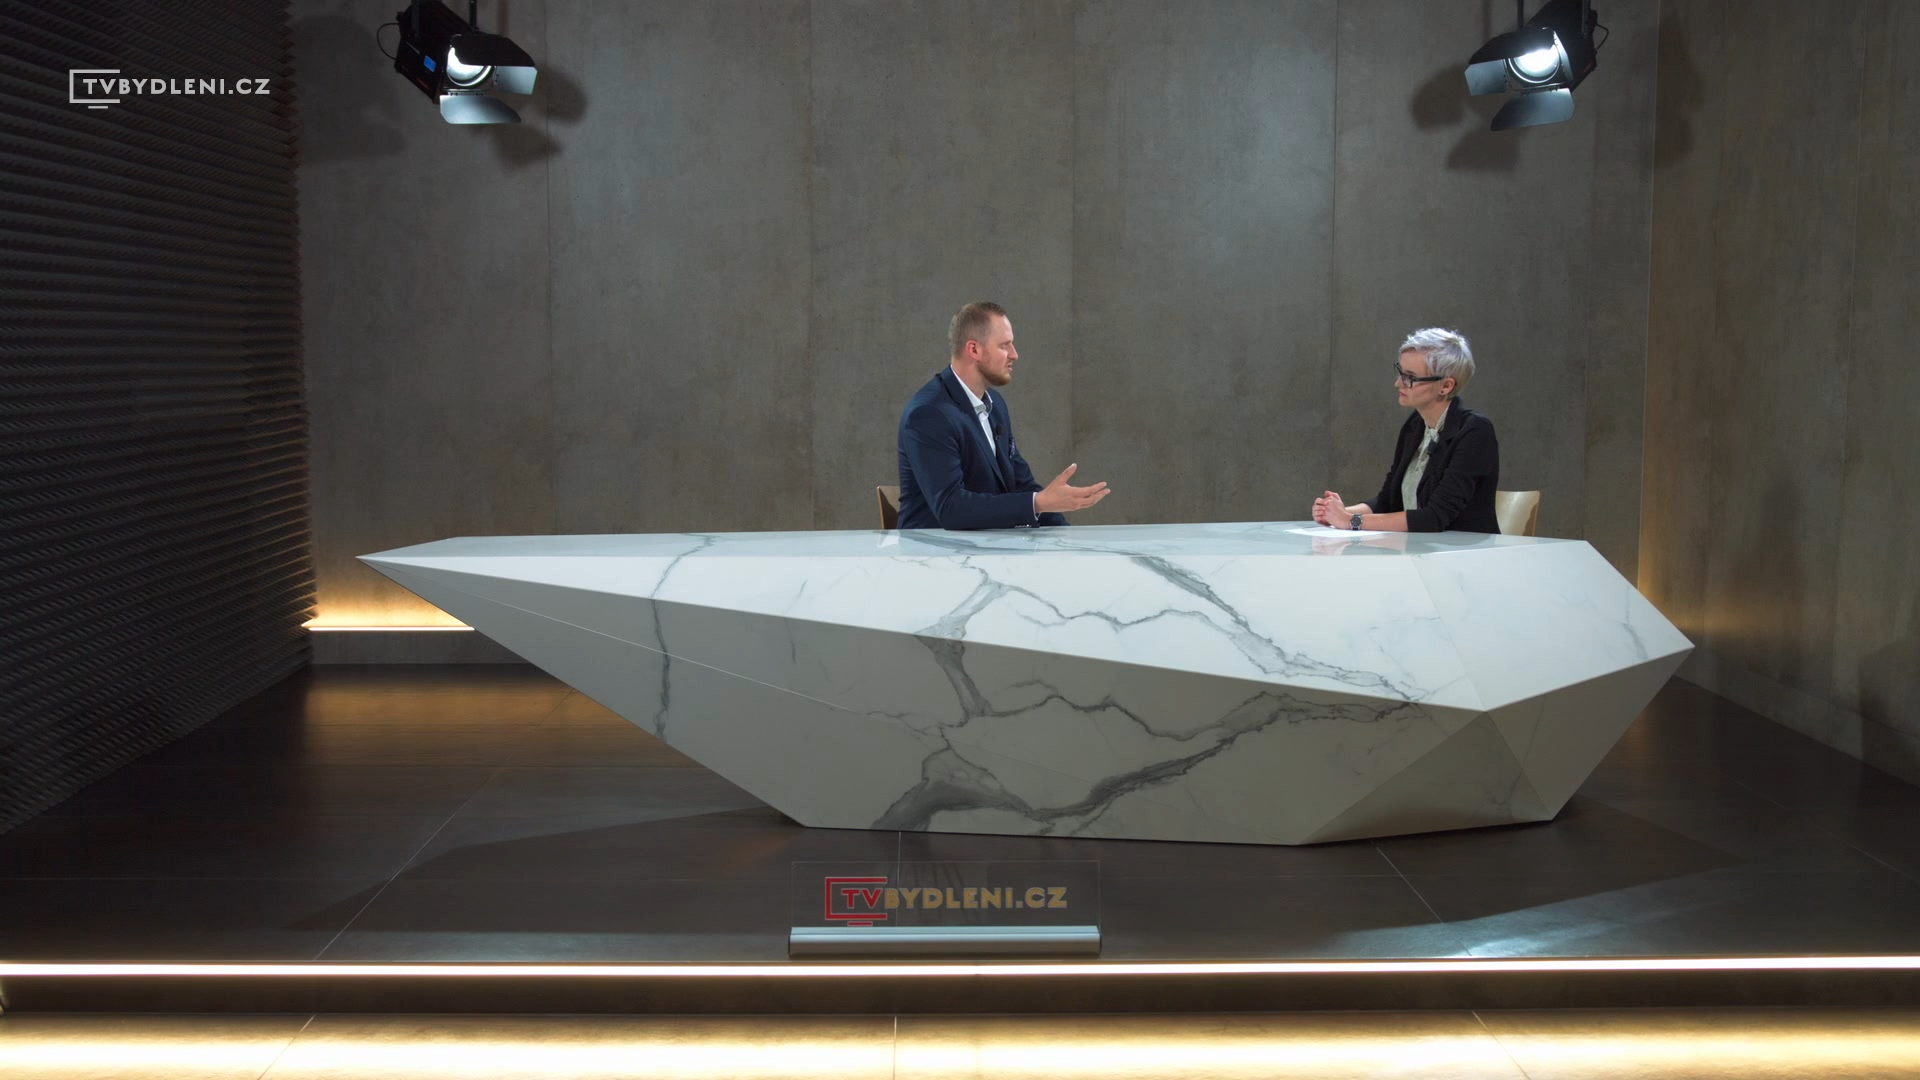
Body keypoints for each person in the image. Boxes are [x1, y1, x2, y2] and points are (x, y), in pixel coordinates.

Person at [897, 302, 1109, 529]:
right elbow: (951, 508)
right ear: (974, 350)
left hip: (985, 545)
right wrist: (1038, 503)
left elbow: (1021, 484)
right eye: (1004, 346)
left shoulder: (995, 405)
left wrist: (1070, 537)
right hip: (932, 549)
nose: (1014, 355)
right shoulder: (929, 414)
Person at [1314, 328, 1501, 533]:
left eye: (1410, 377)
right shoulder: (1415, 425)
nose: (1398, 383)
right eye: (1400, 372)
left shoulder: (1475, 432)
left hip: (1464, 551)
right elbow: (1388, 501)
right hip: (1419, 547)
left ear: (1446, 386)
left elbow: (1434, 517)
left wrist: (1351, 521)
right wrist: (1335, 513)